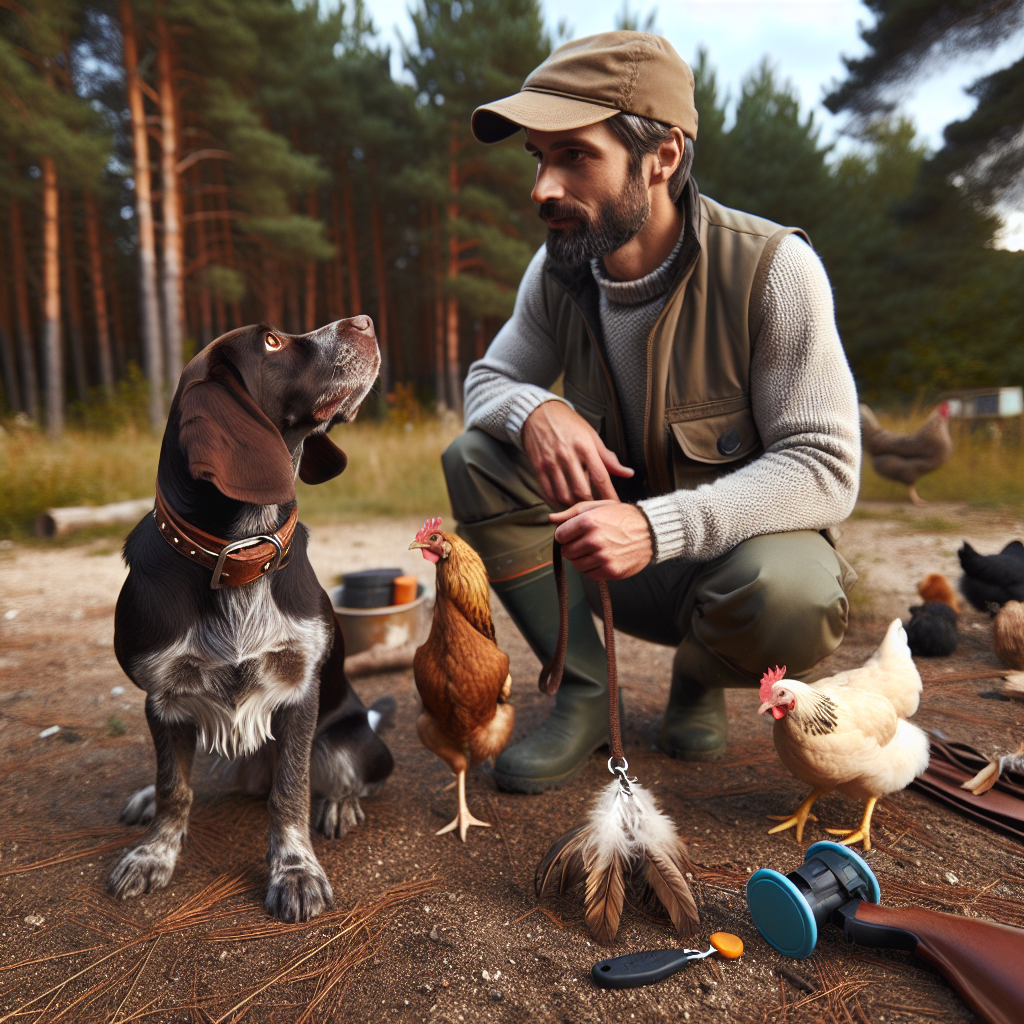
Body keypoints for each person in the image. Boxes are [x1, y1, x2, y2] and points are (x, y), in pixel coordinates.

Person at [441, 31, 860, 794]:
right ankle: (583, 690)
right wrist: (535, 409)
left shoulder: (773, 270)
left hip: (727, 573)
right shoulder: (559, 269)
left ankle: (699, 679)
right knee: (475, 456)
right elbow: (487, 381)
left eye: (574, 156)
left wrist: (656, 528)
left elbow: (825, 468)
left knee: (794, 593)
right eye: (538, 157)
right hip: (608, 566)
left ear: (662, 156)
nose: (541, 187)